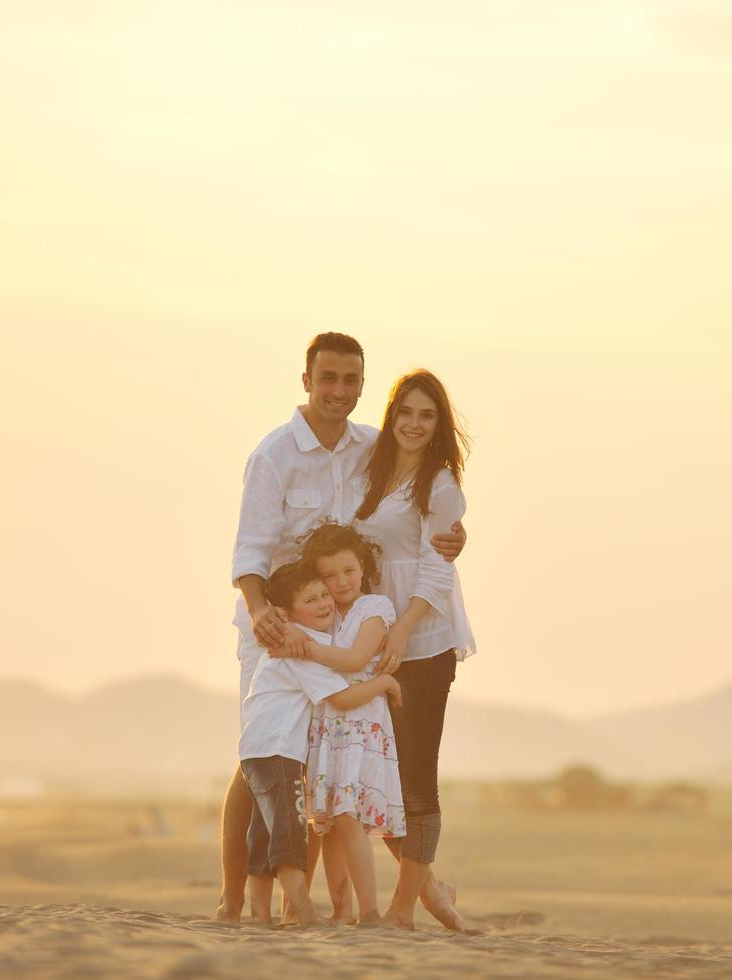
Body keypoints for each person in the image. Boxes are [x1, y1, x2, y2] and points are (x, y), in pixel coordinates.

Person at [215, 333, 466, 924]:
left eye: (351, 381)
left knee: (334, 759)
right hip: (277, 629)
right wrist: (259, 613)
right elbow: (249, 550)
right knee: (262, 757)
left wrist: (456, 535)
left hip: (346, 628)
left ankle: (350, 898)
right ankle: (233, 900)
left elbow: (417, 505)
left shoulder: (371, 449)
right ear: (306, 380)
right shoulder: (275, 455)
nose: (339, 391)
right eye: (328, 378)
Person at [352, 369, 474, 931]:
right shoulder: (368, 470)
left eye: (428, 416)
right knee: (377, 773)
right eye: (407, 412)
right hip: (375, 637)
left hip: (422, 640)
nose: (415, 425)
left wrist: (402, 631)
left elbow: (435, 567)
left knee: (416, 775)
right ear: (392, 414)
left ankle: (403, 910)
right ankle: (430, 886)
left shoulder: (440, 483)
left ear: (439, 424)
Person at [239, 560, 401, 925]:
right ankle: (305, 912)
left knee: (264, 832)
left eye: (324, 595)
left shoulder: (299, 640)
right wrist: (386, 684)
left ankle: (260, 915)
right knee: (289, 834)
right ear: (287, 613)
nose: (324, 602)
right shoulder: (297, 646)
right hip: (278, 748)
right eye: (311, 599)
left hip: (260, 747)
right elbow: (341, 698)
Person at [294, 523, 405, 927]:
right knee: (327, 820)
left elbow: (357, 660)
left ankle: (370, 912)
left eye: (348, 571)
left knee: (348, 815)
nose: (340, 583)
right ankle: (341, 909)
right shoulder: (323, 612)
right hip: (327, 722)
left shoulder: (374, 608)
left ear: (363, 567)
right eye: (329, 575)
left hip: (360, 720)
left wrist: (305, 646)